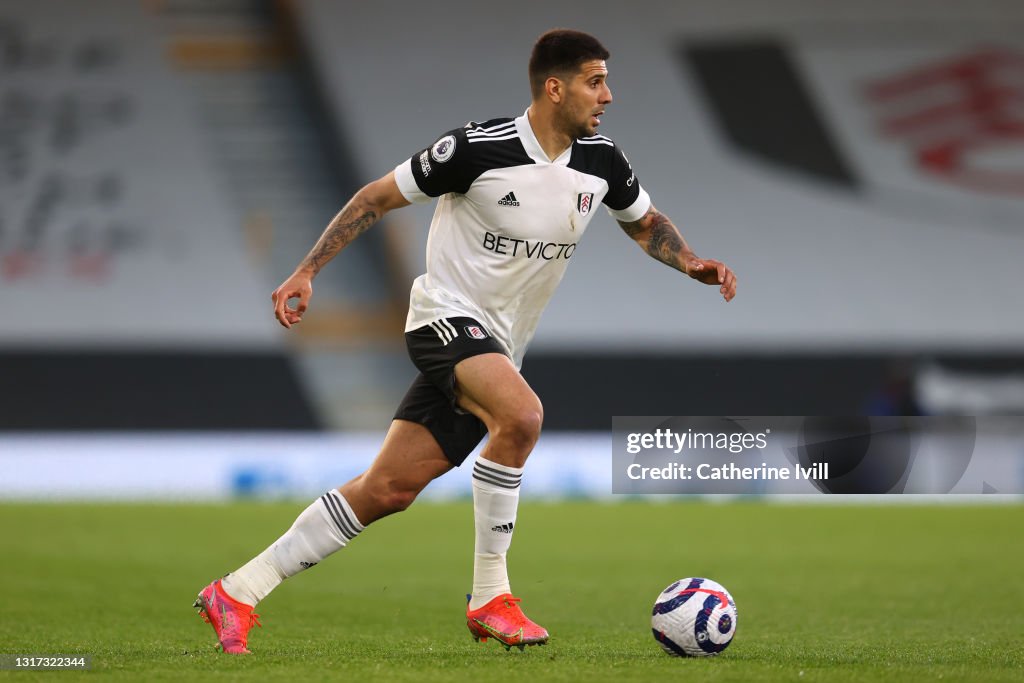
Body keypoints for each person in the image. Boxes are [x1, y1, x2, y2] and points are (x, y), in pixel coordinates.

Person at [194, 28, 737, 655]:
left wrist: (690, 260)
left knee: (387, 490)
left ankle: (236, 591)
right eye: (595, 81)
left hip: (496, 346)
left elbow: (644, 224)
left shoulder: (602, 161)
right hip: (443, 321)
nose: (607, 95)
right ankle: (491, 598)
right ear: (554, 88)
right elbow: (374, 197)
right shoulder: (475, 149)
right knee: (523, 415)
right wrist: (308, 270)